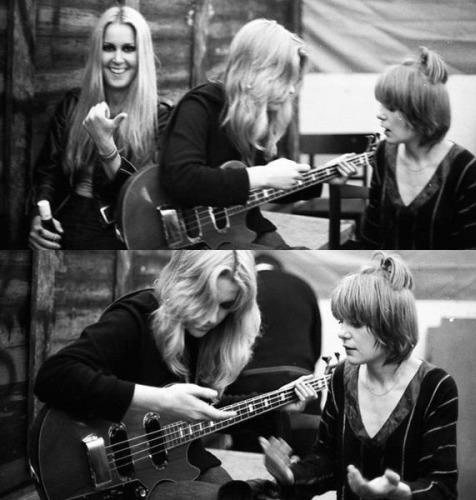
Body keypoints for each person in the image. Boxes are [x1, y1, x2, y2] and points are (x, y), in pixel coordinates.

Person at [33, 250, 317, 500]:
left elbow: (207, 411)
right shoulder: (137, 316)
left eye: (226, 306)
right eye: (206, 301)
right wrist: (160, 400)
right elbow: (54, 376)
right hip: (110, 475)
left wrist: (279, 402)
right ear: (185, 284)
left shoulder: (207, 334)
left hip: (179, 460)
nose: (213, 318)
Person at [260, 252, 459, 500]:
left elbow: (441, 486)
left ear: (389, 323)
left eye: (355, 323)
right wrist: (290, 475)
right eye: (342, 321)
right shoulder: (342, 377)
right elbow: (328, 461)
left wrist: (399, 492)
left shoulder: (436, 386)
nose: (342, 333)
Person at [159, 19, 355, 249]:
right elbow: (181, 177)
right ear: (258, 70)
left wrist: (324, 176)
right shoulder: (200, 106)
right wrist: (263, 175)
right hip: (195, 238)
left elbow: (272, 186)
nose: (292, 90)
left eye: (295, 81)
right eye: (286, 78)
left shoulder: (256, 116)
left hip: (245, 227)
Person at [28, 5, 172, 250]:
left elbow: (144, 196)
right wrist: (38, 217)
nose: (117, 59)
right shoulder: (73, 104)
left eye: (128, 48)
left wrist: (106, 146)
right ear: (98, 52)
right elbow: (48, 174)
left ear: (142, 54)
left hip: (123, 236)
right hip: (67, 228)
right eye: (108, 48)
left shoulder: (160, 115)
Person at [361, 46, 476, 249]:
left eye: (391, 108)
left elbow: (469, 250)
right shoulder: (383, 153)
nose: (380, 115)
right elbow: (371, 233)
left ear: (420, 111)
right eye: (382, 105)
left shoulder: (465, 168)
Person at [226, 252, 323, 455]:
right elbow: (315, 343)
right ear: (279, 268)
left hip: (247, 382)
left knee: (248, 458)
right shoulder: (302, 285)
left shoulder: (242, 288)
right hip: (301, 384)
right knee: (308, 459)